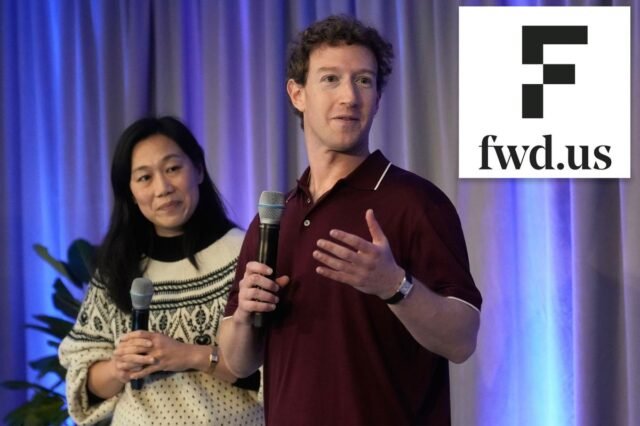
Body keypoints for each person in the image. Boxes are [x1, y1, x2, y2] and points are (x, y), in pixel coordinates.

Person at [219, 15, 482, 426]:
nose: (349, 97)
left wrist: (395, 285)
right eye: (330, 79)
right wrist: (244, 315)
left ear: (377, 98)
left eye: (364, 81)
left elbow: (462, 340)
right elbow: (238, 363)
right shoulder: (273, 219)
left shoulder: (416, 203)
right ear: (297, 94)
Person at [59, 117, 263, 425]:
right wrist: (118, 368)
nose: (163, 188)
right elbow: (84, 381)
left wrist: (190, 355)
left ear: (199, 170)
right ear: (130, 192)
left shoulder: (246, 256)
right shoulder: (117, 265)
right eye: (144, 177)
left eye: (172, 169)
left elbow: (276, 372)